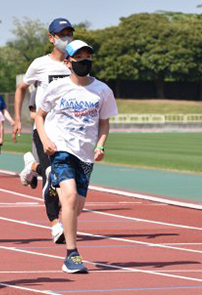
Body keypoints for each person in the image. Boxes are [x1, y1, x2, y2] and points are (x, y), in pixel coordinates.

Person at [36, 40, 118, 273]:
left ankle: (53, 180)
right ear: (67, 62)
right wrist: (45, 141)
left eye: (87, 57)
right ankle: (72, 255)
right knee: (70, 198)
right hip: (60, 148)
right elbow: (39, 117)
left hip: (85, 154)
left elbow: (104, 122)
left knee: (77, 207)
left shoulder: (102, 90)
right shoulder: (57, 87)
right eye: (78, 58)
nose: (84, 61)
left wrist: (101, 145)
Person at [13, 18, 75, 244]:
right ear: (51, 38)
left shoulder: (76, 62)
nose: (66, 38)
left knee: (66, 182)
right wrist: (18, 118)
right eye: (62, 34)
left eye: (69, 33)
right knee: (52, 176)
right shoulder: (40, 64)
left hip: (68, 131)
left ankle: (31, 166)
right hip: (44, 128)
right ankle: (55, 225)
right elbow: (21, 88)